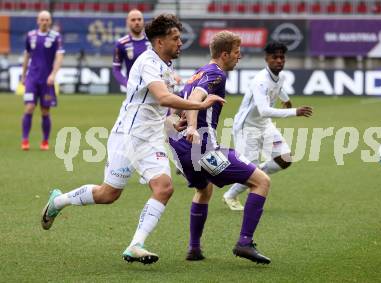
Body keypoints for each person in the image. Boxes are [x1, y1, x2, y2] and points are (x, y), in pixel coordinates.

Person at [40, 14, 225, 265]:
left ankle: (136, 244)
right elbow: (163, 98)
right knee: (108, 194)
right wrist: (199, 104)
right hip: (127, 136)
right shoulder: (147, 61)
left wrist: (174, 123)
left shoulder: (167, 67)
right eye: (175, 38)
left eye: (180, 38)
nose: (180, 43)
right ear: (159, 42)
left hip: (150, 140)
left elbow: (162, 111)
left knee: (164, 188)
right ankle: (58, 201)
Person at [168, 31, 272, 264]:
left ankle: (194, 248)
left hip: (180, 148)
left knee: (204, 190)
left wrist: (177, 123)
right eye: (236, 53)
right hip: (202, 148)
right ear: (225, 54)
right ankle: (244, 242)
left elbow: (177, 104)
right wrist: (193, 127)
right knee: (261, 181)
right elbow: (195, 99)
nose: (239, 57)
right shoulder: (216, 75)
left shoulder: (198, 72)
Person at [222, 41, 313, 211]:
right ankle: (230, 195)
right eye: (275, 57)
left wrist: (285, 99)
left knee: (285, 159)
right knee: (250, 171)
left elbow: (278, 86)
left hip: (264, 125)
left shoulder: (280, 76)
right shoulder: (260, 81)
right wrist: (294, 111)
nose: (279, 60)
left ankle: (259, 170)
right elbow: (264, 110)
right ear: (267, 59)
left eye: (282, 57)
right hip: (246, 127)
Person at [20, 10, 64, 151]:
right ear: (37, 21)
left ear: (50, 21)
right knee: (30, 107)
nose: (44, 22)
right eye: (42, 19)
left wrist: (53, 74)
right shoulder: (31, 36)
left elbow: (59, 57)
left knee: (45, 111)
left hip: (47, 80)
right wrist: (23, 74)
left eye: (47, 19)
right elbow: (27, 55)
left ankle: (45, 141)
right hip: (32, 78)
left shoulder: (56, 37)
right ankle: (25, 140)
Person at [112, 9, 149, 88]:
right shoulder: (121, 43)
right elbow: (116, 69)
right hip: (133, 89)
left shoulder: (152, 41)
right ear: (127, 22)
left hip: (153, 87)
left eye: (139, 19)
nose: (137, 22)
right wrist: (126, 83)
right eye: (133, 20)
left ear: (143, 21)